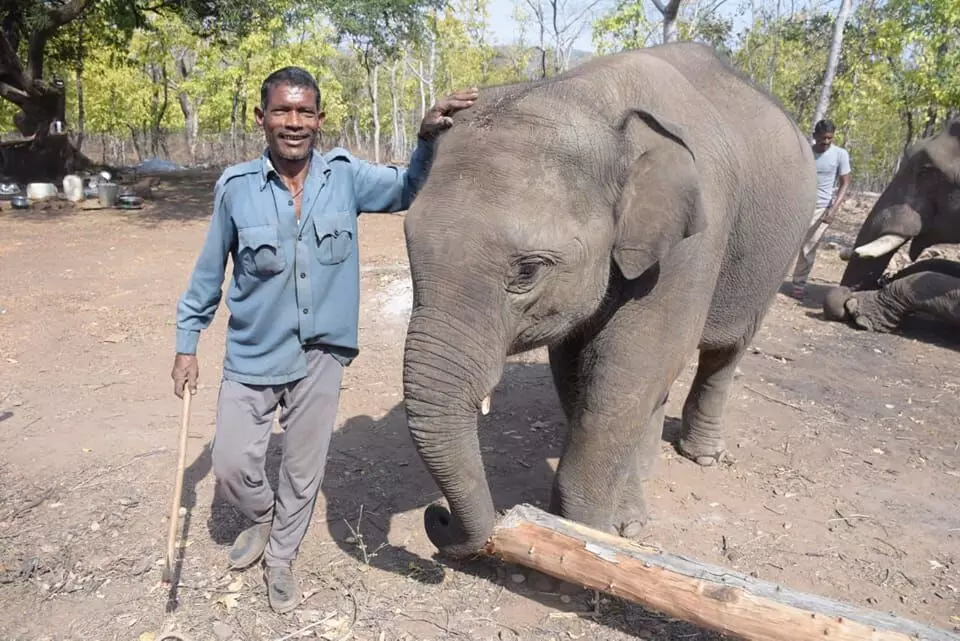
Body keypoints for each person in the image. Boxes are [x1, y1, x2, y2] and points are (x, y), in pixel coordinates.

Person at [170, 65, 478, 614]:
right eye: (282, 111)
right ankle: (263, 516)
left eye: (305, 112)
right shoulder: (236, 188)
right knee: (232, 462)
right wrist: (187, 341)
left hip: (322, 352)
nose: (294, 123)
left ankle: (282, 557)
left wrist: (425, 138)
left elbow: (408, 189)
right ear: (261, 118)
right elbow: (208, 270)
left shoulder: (346, 176)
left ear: (320, 119)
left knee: (303, 467)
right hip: (254, 351)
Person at [791, 118, 852, 299]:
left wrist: (833, 209)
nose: (826, 142)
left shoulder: (840, 154)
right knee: (788, 243)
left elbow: (845, 184)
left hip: (821, 208)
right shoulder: (805, 153)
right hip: (799, 205)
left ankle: (799, 283)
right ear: (814, 136)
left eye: (829, 138)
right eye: (823, 138)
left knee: (808, 247)